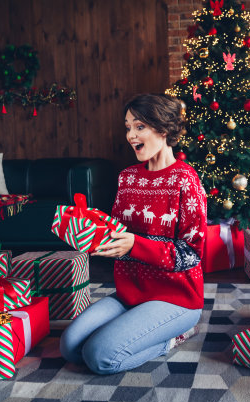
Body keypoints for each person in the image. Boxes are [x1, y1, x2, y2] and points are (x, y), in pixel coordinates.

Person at [60, 93, 207, 375]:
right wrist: (87, 232)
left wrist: (134, 246)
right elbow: (116, 233)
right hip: (130, 294)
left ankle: (176, 336)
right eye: (128, 127)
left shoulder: (185, 180)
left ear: (163, 129)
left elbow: (192, 254)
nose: (131, 135)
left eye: (139, 127)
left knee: (98, 357)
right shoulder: (127, 177)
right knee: (70, 347)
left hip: (175, 298)